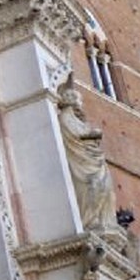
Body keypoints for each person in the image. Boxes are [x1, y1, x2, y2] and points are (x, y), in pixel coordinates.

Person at [57, 77, 117, 231]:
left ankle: (105, 222)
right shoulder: (65, 116)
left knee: (105, 187)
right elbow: (74, 134)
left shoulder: (76, 119)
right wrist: (92, 134)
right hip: (82, 162)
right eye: (76, 98)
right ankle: (90, 221)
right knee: (92, 185)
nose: (79, 102)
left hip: (92, 159)